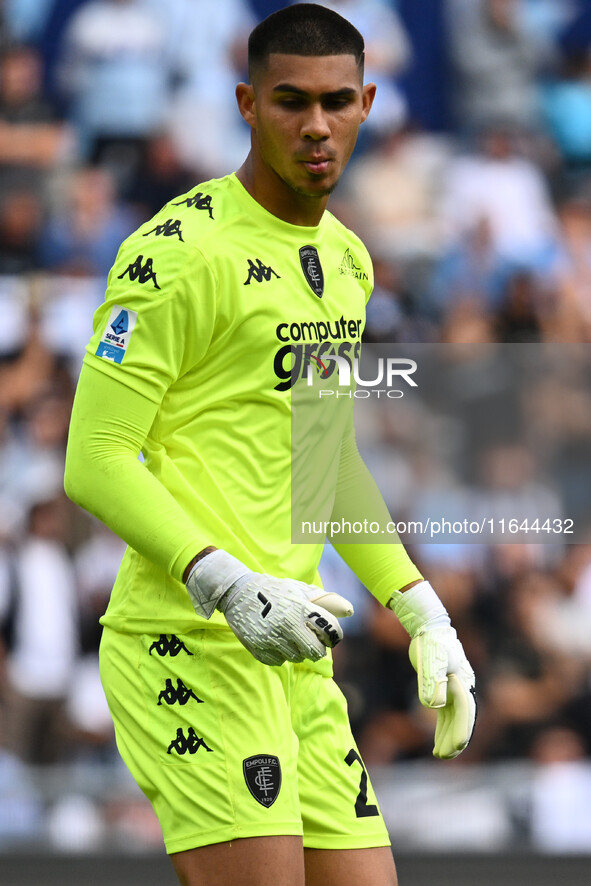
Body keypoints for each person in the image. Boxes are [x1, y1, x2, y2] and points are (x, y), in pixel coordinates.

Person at [64, 6, 476, 885]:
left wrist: (418, 610)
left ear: (367, 102)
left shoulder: (348, 261)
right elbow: (94, 456)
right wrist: (229, 583)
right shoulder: (176, 253)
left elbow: (321, 463)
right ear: (247, 104)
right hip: (191, 640)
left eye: (335, 102)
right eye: (290, 101)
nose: (315, 125)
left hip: (296, 651)